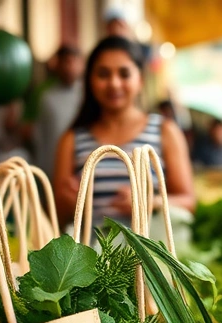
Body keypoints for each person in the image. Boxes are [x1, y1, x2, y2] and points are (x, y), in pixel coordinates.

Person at [53, 36, 194, 231]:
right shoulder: (71, 140)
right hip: (88, 258)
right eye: (103, 74)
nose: (114, 83)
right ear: (90, 81)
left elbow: (188, 201)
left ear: (141, 80)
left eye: (124, 74)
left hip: (149, 257)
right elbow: (56, 215)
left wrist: (148, 202)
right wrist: (70, 202)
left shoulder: (165, 132)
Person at [25, 45, 84, 179]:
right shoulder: (44, 95)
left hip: (83, 166)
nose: (70, 68)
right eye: (66, 62)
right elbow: (33, 131)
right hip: (50, 166)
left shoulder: (88, 93)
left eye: (74, 62)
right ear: (57, 64)